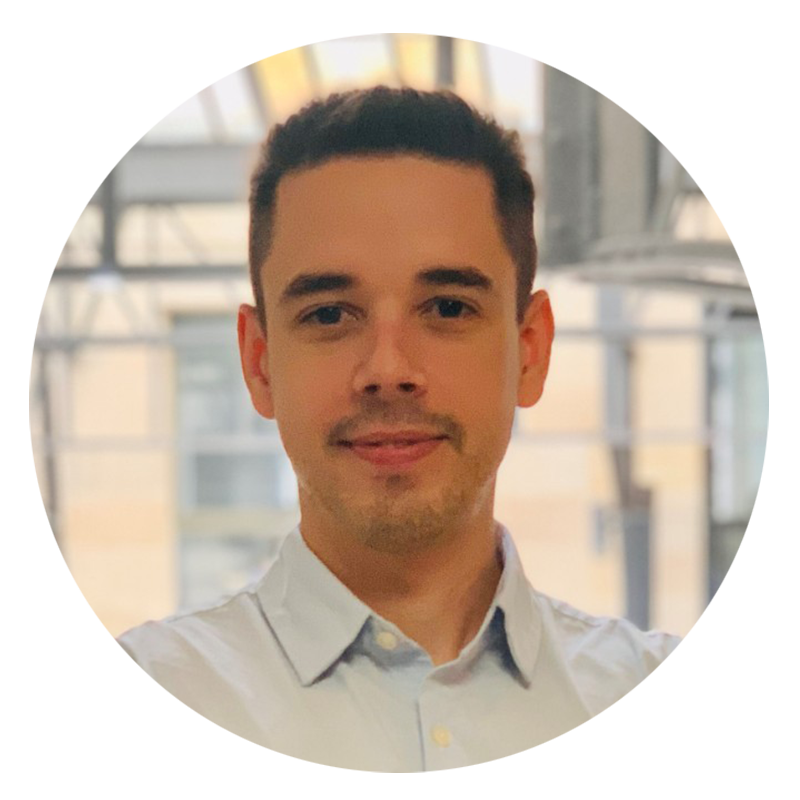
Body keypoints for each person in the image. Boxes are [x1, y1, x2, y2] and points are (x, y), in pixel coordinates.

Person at [34, 86, 768, 773]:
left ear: (531, 351)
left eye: (447, 307)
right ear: (259, 363)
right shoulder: (130, 720)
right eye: (329, 314)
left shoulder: (682, 724)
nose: (388, 369)